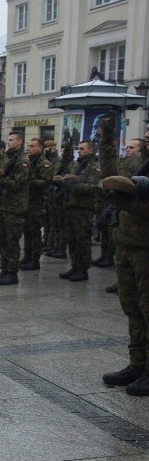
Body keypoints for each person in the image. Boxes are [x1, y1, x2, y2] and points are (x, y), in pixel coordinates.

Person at [98, 125, 149, 395]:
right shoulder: (143, 164)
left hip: (146, 248)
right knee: (132, 307)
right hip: (128, 243)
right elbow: (112, 174)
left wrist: (122, 201)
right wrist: (106, 142)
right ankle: (137, 363)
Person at [0, 131, 30, 285]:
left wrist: (1, 178)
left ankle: (12, 272)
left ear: (20, 142)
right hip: (2, 205)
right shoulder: (6, 158)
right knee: (2, 240)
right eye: (8, 139)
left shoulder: (23, 161)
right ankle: (4, 269)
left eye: (12, 140)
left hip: (14, 207)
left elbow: (18, 184)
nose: (9, 142)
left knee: (11, 241)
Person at [56, 139, 101, 282]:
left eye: (82, 149)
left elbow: (93, 187)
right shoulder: (78, 165)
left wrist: (73, 185)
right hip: (71, 207)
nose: (79, 151)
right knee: (72, 239)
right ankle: (75, 265)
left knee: (82, 241)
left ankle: (83, 269)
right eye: (79, 148)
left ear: (90, 150)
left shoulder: (95, 167)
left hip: (84, 209)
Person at [21, 138, 54, 271]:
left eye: (32, 146)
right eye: (29, 146)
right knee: (26, 231)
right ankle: (27, 256)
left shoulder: (45, 163)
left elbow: (45, 182)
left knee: (34, 232)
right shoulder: (28, 161)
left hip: (37, 202)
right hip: (26, 201)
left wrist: (30, 180)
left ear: (40, 148)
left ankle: (35, 260)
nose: (29, 148)